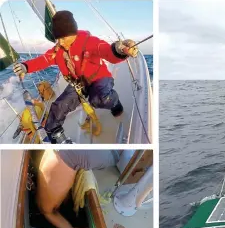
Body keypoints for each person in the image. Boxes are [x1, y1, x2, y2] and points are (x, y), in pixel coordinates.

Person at [13, 10, 138, 143]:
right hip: (79, 84)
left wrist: (119, 49)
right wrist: (26, 67)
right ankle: (57, 138)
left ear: (73, 33)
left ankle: (115, 102)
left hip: (99, 78)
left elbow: (107, 52)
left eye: (64, 37)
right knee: (58, 107)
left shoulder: (90, 42)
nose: (60, 42)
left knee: (99, 99)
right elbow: (44, 60)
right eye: (58, 38)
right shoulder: (58, 50)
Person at [36, 149, 119, 228]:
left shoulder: (45, 209)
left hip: (73, 157)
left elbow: (49, 214)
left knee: (115, 156)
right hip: (57, 150)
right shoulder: (44, 178)